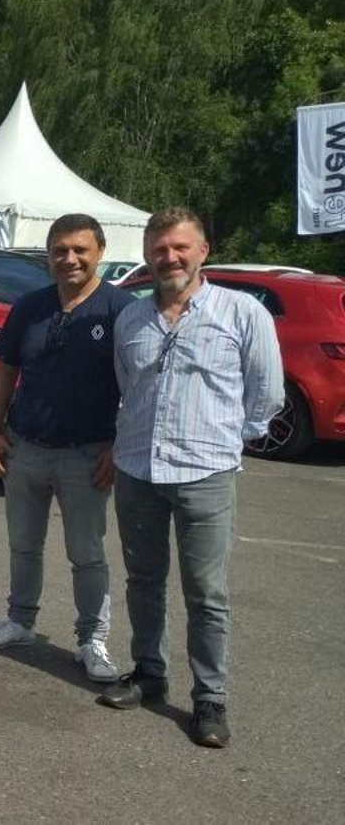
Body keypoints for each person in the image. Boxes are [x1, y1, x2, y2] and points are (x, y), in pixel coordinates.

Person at [99, 207, 282, 749]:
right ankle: (149, 674)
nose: (169, 258)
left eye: (180, 247)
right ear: (148, 256)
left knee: (207, 592)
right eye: (159, 249)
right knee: (143, 580)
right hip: (137, 469)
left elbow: (266, 394)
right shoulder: (131, 319)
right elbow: (124, 386)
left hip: (206, 473)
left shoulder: (242, 313)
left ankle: (209, 698)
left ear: (204, 251)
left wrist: (225, 441)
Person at [0, 214, 132, 682]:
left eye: (80, 249)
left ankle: (92, 640)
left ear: (100, 251)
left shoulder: (119, 309)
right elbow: (5, 370)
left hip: (88, 453)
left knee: (87, 552)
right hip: (26, 447)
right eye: (60, 250)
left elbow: (137, 385)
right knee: (24, 545)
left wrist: (119, 445)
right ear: (49, 255)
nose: (70, 259)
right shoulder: (32, 306)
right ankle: (20, 621)